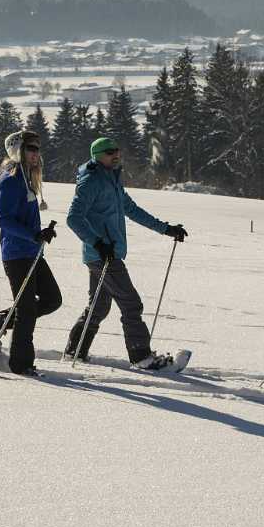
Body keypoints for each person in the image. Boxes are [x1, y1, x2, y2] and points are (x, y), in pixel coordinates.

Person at [64, 136, 188, 369]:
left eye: (117, 151)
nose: (116, 155)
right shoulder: (91, 181)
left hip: (107, 253)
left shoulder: (112, 180)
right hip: (102, 254)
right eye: (110, 152)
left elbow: (132, 210)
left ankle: (75, 350)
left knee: (99, 307)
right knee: (131, 303)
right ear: (97, 155)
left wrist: (166, 229)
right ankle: (141, 357)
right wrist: (98, 243)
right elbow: (73, 218)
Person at [0, 130, 62, 376]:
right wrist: (33, 235)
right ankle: (21, 364)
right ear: (18, 150)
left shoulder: (27, 179)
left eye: (37, 149)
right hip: (16, 254)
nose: (36, 153)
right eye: (30, 148)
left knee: (53, 299)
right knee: (27, 309)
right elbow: (4, 220)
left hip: (32, 252)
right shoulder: (11, 180)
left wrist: (40, 233)